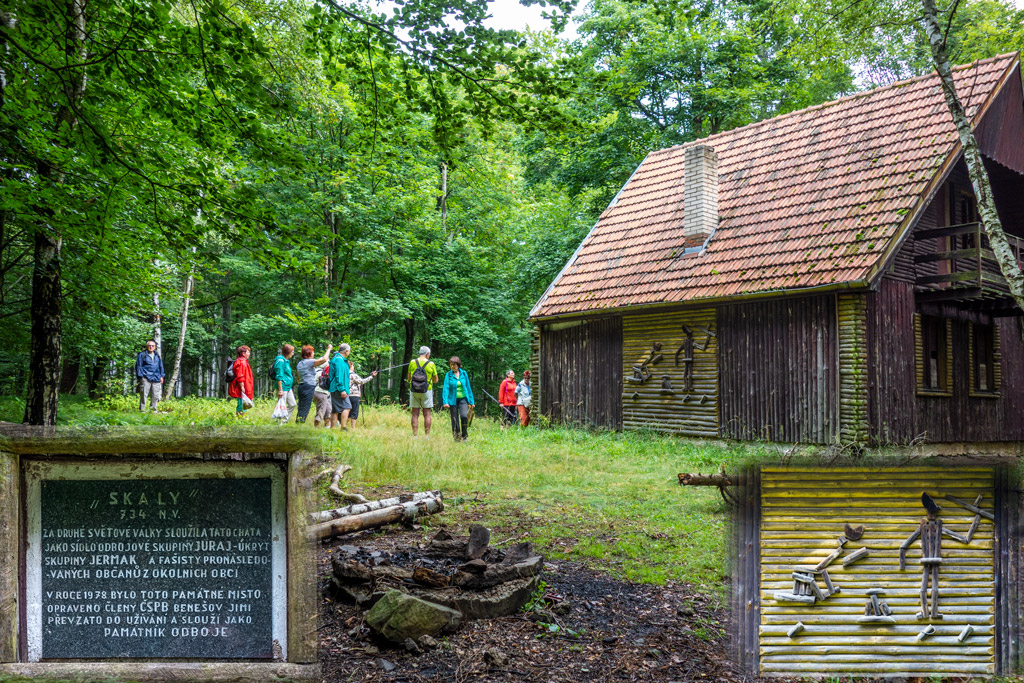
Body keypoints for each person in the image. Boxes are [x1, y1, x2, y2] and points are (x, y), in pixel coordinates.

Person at [295, 344, 332, 424]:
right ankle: (301, 422)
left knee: (301, 405)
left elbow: (297, 375)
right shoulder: (309, 362)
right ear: (309, 353)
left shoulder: (300, 363)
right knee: (306, 406)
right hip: (309, 386)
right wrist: (329, 349)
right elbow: (324, 360)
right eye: (313, 352)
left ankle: (298, 421)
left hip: (301, 385)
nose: (314, 354)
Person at [441, 356, 475, 441]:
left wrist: (471, 401)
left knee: (464, 416)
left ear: (458, 365)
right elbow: (446, 388)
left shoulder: (464, 373)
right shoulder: (448, 375)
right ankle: (457, 437)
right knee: (454, 418)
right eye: (451, 365)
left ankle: (464, 436)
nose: (452, 366)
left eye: (454, 365)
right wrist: (445, 402)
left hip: (463, 399)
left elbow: (468, 387)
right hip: (452, 400)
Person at [408, 346, 438, 437]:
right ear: (427, 354)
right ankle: (426, 436)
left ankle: (415, 436)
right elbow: (436, 380)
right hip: (426, 391)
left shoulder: (412, 362)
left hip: (414, 391)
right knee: (427, 413)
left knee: (414, 413)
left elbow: (409, 379)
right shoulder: (431, 364)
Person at [135, 340, 165, 412]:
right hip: (145, 377)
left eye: (152, 346)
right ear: (146, 346)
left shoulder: (157, 355)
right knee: (143, 395)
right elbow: (138, 366)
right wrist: (141, 377)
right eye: (149, 345)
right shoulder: (142, 355)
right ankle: (142, 410)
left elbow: (160, 366)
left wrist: (162, 376)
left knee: (155, 395)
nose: (151, 347)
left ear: (155, 347)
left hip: (156, 377)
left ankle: (153, 409)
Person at [347, 361, 378, 428]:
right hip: (354, 395)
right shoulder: (353, 374)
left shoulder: (344, 374)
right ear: (351, 366)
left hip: (346, 395)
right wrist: (371, 376)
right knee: (354, 412)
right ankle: (353, 428)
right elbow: (362, 381)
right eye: (353, 365)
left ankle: (343, 426)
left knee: (347, 411)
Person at [329, 343, 352, 430]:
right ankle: (343, 427)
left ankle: (333, 428)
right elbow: (339, 376)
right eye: (349, 351)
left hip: (336, 388)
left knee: (335, 410)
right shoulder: (339, 360)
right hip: (339, 388)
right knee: (347, 407)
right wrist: (342, 389)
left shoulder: (338, 359)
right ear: (346, 351)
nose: (349, 353)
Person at [272, 344, 297, 424]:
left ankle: (284, 421)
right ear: (288, 352)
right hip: (282, 387)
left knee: (293, 404)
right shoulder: (280, 361)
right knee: (281, 406)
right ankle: (279, 423)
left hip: (288, 387)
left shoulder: (286, 361)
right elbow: (279, 376)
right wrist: (280, 390)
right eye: (292, 352)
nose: (293, 354)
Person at [227, 345, 254, 418]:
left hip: (245, 386)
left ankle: (241, 418)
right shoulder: (241, 362)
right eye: (248, 352)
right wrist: (242, 386)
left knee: (244, 404)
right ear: (243, 353)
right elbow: (240, 375)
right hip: (241, 387)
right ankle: (239, 419)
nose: (249, 354)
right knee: (241, 404)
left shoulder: (243, 361)